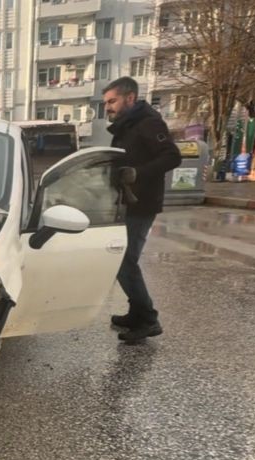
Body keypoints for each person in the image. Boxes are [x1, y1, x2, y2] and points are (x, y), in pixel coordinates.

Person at [101, 77, 182, 344]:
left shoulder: (149, 122)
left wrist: (137, 174)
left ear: (130, 98)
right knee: (123, 261)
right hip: (128, 202)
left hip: (142, 203)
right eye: (106, 103)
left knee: (125, 261)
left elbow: (172, 156)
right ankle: (136, 313)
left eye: (112, 101)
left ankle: (148, 319)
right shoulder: (128, 126)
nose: (108, 107)